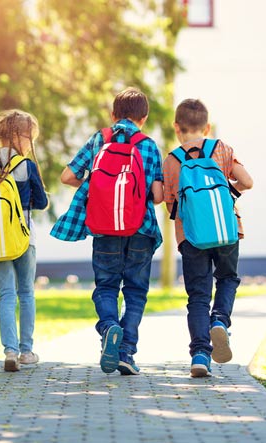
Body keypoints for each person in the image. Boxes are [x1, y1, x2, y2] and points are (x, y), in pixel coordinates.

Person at [55, 87, 164, 375]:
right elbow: (158, 195)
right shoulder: (149, 145)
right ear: (144, 117)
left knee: (106, 286)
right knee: (136, 291)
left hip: (104, 227)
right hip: (141, 228)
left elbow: (67, 176)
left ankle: (109, 328)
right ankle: (126, 351)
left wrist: (99, 188)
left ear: (113, 114)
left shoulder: (98, 139)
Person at [162, 98, 253, 377]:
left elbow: (170, 205)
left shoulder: (172, 160)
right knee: (227, 279)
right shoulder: (222, 149)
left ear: (177, 127)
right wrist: (228, 191)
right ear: (207, 126)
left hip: (191, 236)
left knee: (198, 295)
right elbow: (247, 182)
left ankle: (200, 355)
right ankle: (221, 322)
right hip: (227, 231)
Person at [0, 110, 49, 372]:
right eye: (29, 137)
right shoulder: (27, 165)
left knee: (6, 294)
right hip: (23, 237)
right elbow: (42, 203)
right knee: (26, 293)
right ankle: (26, 351)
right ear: (19, 137)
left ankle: (9, 351)